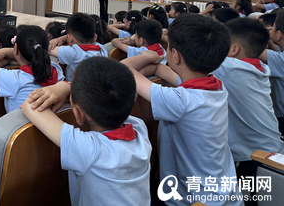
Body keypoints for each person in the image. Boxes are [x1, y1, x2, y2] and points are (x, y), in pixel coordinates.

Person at [122, 15, 242, 205]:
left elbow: (122, 70)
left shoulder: (180, 101)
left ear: (175, 56)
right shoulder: (215, 87)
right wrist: (151, 68)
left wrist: (146, 57)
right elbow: (159, 70)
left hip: (195, 200)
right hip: (225, 194)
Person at [21, 57, 152, 206]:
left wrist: (63, 86)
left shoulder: (90, 150)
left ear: (78, 114)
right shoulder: (138, 127)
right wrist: (71, 91)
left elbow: (29, 105)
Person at [212, 18, 283, 172]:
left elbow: (185, 72)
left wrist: (158, 67)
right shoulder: (259, 67)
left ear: (233, 49)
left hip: (253, 156)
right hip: (271, 148)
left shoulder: (228, 68)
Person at [0, 25, 64, 113]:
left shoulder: (15, 79)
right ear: (46, 50)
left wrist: (5, 55)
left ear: (15, 49)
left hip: (16, 122)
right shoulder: (57, 69)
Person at [49, 13, 108, 82]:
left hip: (75, 88)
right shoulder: (101, 48)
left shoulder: (73, 52)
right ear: (95, 37)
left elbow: (49, 48)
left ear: (70, 39)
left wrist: (59, 39)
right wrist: (63, 39)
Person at [259, 11, 284, 134]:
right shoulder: (280, 52)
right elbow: (276, 51)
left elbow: (252, 49)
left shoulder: (281, 60)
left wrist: (261, 33)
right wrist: (270, 39)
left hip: (282, 116)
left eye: (273, 26)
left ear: (279, 34)